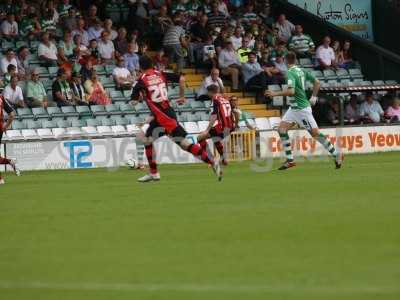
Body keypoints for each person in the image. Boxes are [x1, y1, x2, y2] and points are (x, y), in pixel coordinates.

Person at [130, 55, 221, 183]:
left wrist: (138, 97)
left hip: (164, 118)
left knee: (182, 144)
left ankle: (211, 161)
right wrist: (182, 96)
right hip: (166, 114)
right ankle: (154, 173)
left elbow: (134, 102)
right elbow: (182, 79)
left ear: (140, 66)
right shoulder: (160, 74)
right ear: (152, 64)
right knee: (148, 140)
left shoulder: (141, 80)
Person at [265, 51, 344, 170]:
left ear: (286, 61)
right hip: (294, 108)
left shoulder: (290, 73)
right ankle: (290, 160)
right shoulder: (301, 70)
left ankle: (336, 154)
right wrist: (314, 97)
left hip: (301, 109)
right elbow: (317, 82)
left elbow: (291, 91)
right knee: (281, 129)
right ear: (295, 60)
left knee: (315, 134)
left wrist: (275, 93)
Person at [197, 85, 235, 166]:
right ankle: (224, 159)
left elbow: (214, 116)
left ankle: (211, 159)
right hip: (230, 127)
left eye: (208, 92)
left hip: (222, 127)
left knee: (200, 137)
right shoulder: (224, 99)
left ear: (211, 92)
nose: (207, 94)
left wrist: (207, 130)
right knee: (215, 138)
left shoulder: (215, 100)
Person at [0, 95, 20, 185]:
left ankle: (0, 179)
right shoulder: (1, 97)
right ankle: (10, 161)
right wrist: (6, 126)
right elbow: (12, 114)